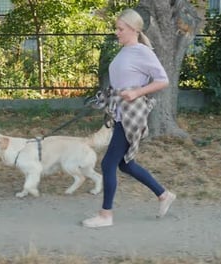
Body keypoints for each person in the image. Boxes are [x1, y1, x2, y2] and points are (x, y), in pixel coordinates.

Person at [82, 8, 176, 228]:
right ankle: (163, 195)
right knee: (125, 164)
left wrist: (135, 92)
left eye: (120, 28)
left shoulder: (143, 51)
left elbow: (163, 80)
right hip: (119, 112)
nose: (117, 32)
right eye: (117, 28)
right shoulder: (125, 50)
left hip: (131, 115)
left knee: (107, 164)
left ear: (134, 29)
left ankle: (106, 215)